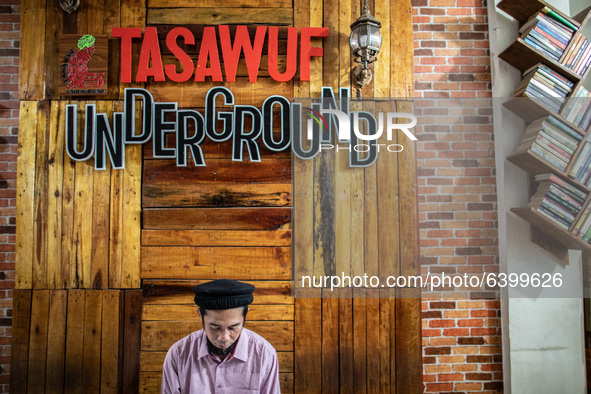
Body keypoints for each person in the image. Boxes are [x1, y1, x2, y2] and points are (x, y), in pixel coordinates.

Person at [161, 279, 281, 393]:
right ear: (200, 315)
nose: (224, 337)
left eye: (233, 328)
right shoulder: (178, 353)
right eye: (214, 328)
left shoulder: (264, 354)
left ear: (245, 316)